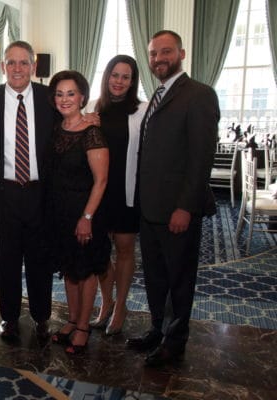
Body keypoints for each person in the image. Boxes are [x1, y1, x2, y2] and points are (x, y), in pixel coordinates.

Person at [127, 30, 218, 367]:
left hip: (177, 210)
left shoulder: (199, 95)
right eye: (153, 54)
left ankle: (174, 342)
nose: (158, 59)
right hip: (150, 209)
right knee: (155, 277)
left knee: (179, 279)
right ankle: (157, 330)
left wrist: (185, 207)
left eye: (165, 52)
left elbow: (201, 158)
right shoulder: (158, 94)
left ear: (181, 53)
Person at [0, 41, 57, 341]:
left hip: (41, 193)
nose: (17, 68)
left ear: (33, 67)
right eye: (11, 62)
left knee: (40, 259)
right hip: (5, 193)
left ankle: (41, 316)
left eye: (24, 63)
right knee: (6, 260)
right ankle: (9, 318)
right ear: (3, 67)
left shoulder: (51, 99)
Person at [46, 70, 110, 354]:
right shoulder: (56, 128)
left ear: (82, 97)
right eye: (59, 94)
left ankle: (83, 326)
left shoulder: (92, 132)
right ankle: (72, 320)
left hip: (85, 212)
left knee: (86, 270)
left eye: (71, 93)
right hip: (59, 213)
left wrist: (87, 218)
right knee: (69, 269)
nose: (65, 99)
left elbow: (101, 181)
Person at [86, 55, 147, 336]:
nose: (119, 81)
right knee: (99, 252)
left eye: (126, 77)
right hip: (97, 191)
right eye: (115, 75)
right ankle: (106, 301)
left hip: (126, 191)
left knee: (124, 250)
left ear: (132, 81)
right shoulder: (92, 107)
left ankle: (120, 306)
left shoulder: (142, 111)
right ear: (107, 76)